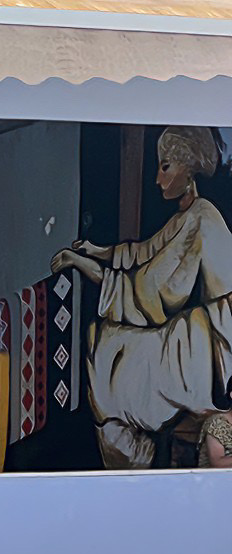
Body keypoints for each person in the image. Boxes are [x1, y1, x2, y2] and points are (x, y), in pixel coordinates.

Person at [53, 125, 232, 467]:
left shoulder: (201, 217)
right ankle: (133, 460)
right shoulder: (189, 214)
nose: (157, 179)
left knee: (111, 355)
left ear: (188, 169)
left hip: (219, 345)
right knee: (107, 348)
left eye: (165, 167)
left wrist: (90, 270)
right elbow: (144, 252)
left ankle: (137, 463)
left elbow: (155, 290)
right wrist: (97, 252)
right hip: (208, 331)